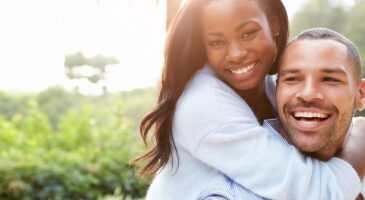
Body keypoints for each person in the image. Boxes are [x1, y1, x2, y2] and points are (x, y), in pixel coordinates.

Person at [132, 0, 365, 199]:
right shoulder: (204, 104)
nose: (236, 54)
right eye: (216, 42)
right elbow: (317, 192)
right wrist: (359, 144)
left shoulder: (270, 85)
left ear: (273, 23)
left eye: (248, 33)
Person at [197, 28, 365, 200]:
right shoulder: (230, 194)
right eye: (292, 79)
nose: (308, 94)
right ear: (277, 89)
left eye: (330, 79)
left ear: (361, 95)